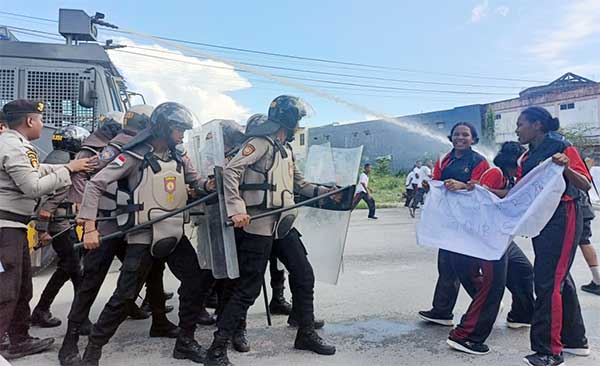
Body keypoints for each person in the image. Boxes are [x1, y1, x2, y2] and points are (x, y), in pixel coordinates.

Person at [77, 102, 216, 365]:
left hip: (173, 232)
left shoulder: (178, 156)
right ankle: (93, 350)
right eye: (178, 129)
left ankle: (185, 341)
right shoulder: (134, 155)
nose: (182, 134)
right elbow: (95, 184)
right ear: (164, 128)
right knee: (125, 296)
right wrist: (90, 227)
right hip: (143, 235)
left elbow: (195, 183)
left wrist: (208, 184)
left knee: (197, 281)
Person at [205, 96, 336, 366]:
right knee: (247, 289)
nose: (299, 124)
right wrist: (236, 207)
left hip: (283, 224)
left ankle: (306, 333)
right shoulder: (259, 143)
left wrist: (323, 191)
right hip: (259, 224)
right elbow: (231, 172)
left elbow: (298, 184)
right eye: (298, 119)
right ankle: (217, 349)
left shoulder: (285, 149)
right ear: (288, 120)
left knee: (304, 274)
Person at [59, 106, 180, 366]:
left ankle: (158, 319)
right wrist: (88, 219)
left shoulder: (156, 149)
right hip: (110, 223)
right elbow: (91, 178)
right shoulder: (118, 148)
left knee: (150, 272)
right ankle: (70, 341)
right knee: (93, 278)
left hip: (137, 223)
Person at [0, 99, 94, 360]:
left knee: (21, 288)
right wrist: (67, 169)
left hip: (14, 226)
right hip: (5, 228)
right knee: (7, 289)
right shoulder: (14, 146)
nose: (43, 125)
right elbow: (32, 186)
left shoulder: (14, 144)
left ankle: (20, 338)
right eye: (40, 120)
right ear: (30, 121)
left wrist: (69, 167)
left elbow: (38, 169)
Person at [445, 141, 536, 355]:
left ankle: (521, 314)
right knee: (493, 283)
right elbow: (481, 195)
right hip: (485, 236)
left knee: (524, 271)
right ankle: (466, 335)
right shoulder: (495, 173)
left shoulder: (511, 177)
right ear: (513, 160)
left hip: (501, 236)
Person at [515, 107, 590, 366]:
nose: (517, 130)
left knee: (548, 281)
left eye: (520, 124)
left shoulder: (562, 146)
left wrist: (567, 167)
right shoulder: (526, 158)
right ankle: (576, 339)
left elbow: (585, 184)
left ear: (537, 125)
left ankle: (549, 351)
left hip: (564, 215)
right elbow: (520, 191)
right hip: (541, 220)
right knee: (558, 277)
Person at [418, 122, 489, 327]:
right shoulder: (445, 159)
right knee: (446, 264)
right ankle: (442, 311)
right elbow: (438, 183)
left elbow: (483, 190)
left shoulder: (479, 161)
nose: (460, 137)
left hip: (468, 221)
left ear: (473, 139)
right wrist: (430, 185)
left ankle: (486, 302)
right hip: (448, 220)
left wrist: (463, 186)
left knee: (465, 267)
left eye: (465, 134)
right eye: (456, 134)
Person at [30, 125, 91, 329]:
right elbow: (49, 201)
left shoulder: (55, 159)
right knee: (74, 268)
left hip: (61, 224)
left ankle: (44, 310)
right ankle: (78, 319)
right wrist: (43, 229)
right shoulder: (64, 163)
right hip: (59, 226)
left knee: (70, 268)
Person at [578, 157, 600, 295]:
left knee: (584, 241)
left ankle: (598, 280)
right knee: (584, 241)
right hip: (583, 206)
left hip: (579, 207)